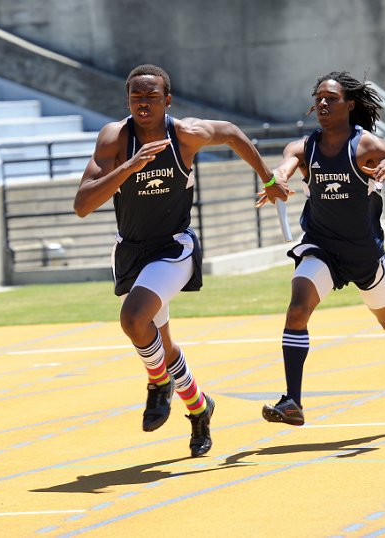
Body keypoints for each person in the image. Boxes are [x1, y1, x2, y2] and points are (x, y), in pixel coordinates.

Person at [74, 64, 281, 456]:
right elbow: (83, 204)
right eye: (136, 98)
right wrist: (128, 167)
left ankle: (157, 384)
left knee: (134, 319)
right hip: (130, 251)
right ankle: (200, 408)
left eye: (152, 97)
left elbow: (234, 134)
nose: (143, 104)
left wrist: (269, 179)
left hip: (172, 249)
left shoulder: (185, 134)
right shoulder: (115, 138)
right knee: (161, 344)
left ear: (167, 100)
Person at [256, 71, 385, 426]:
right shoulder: (304, 147)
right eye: (319, 98)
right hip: (322, 248)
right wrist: (278, 179)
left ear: (350, 105)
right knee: (297, 308)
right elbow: (284, 166)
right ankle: (292, 401)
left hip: (363, 253)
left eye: (331, 97)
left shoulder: (369, 148)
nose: (323, 103)